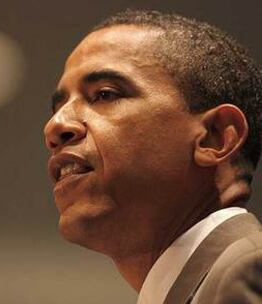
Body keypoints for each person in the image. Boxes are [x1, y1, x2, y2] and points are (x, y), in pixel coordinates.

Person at [43, 9, 262, 304]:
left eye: (105, 94)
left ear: (216, 137)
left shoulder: (249, 272)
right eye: (58, 106)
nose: (55, 126)